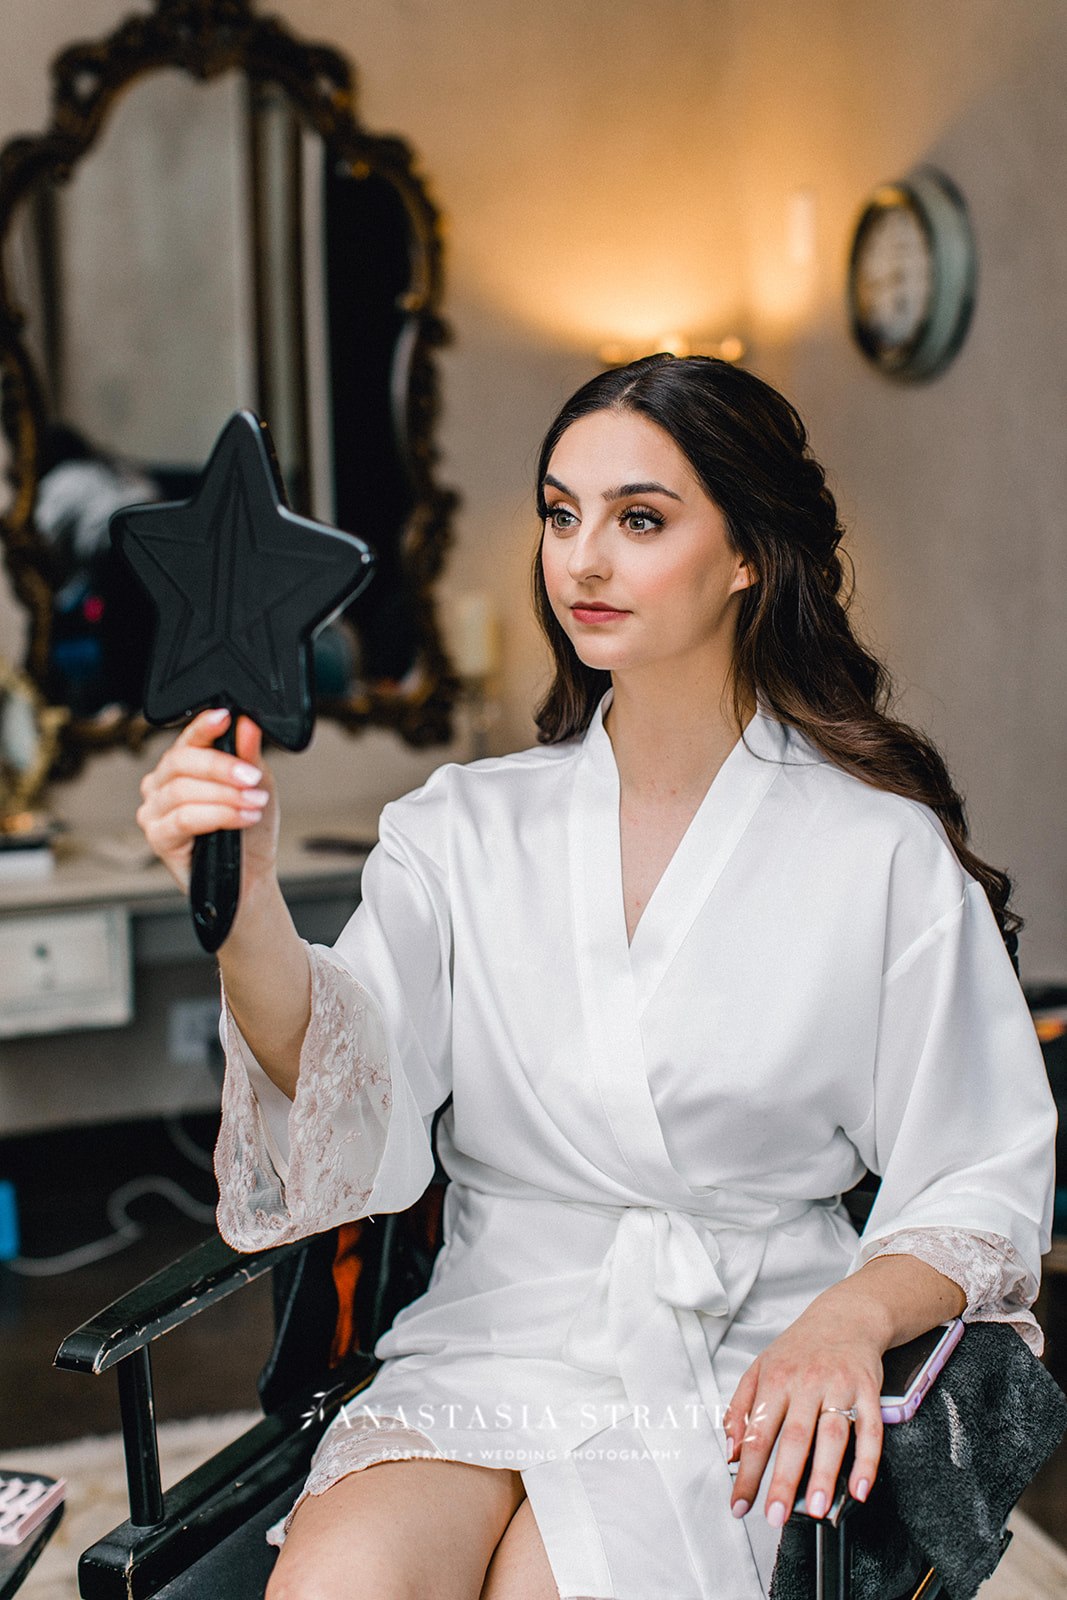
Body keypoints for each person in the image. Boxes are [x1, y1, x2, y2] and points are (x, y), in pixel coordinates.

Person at [136, 355, 1056, 1600]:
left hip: (739, 1341)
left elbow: (976, 1173)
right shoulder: (459, 826)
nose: (580, 560)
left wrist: (844, 1320)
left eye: (638, 518)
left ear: (746, 556)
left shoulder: (874, 853)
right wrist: (244, 906)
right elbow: (350, 1088)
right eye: (560, 514)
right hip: (493, 1322)